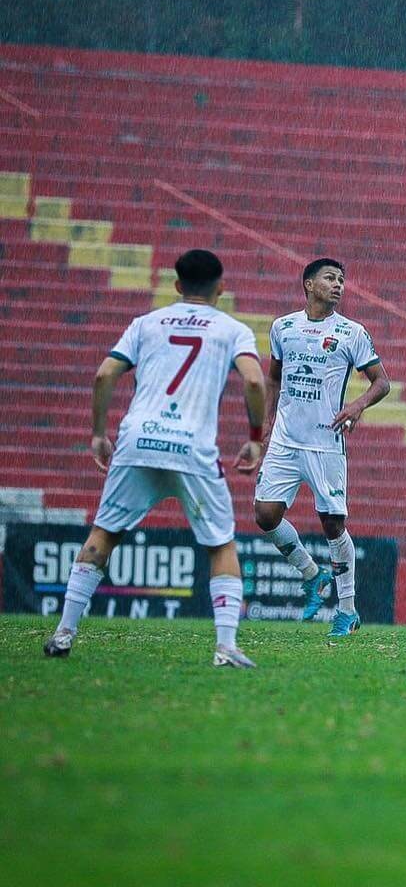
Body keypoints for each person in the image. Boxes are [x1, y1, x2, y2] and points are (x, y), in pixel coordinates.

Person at [43, 249, 267, 667]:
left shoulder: (145, 324)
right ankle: (226, 647)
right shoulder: (232, 329)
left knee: (104, 534)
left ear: (177, 286)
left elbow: (104, 374)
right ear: (221, 288)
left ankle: (63, 633)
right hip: (192, 448)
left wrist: (97, 433)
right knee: (220, 544)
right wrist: (256, 436)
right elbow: (254, 379)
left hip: (137, 440)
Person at [254, 258, 389, 637]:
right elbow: (274, 379)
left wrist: (358, 404)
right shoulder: (283, 327)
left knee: (332, 524)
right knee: (265, 515)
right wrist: (266, 422)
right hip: (285, 439)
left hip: (325, 442)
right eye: (330, 278)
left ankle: (346, 610)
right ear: (309, 285)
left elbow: (382, 382)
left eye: (342, 280)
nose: (338, 285)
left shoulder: (351, 332)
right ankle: (312, 574)